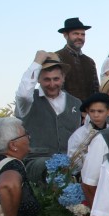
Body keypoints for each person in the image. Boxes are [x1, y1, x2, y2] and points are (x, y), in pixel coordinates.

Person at [15, 51, 81, 183]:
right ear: (38, 79)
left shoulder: (76, 103)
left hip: (68, 169)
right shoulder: (28, 101)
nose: (52, 84)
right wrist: (37, 62)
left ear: (63, 78)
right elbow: (22, 94)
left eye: (56, 79)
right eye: (46, 79)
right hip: (35, 163)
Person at [68, 92, 109, 173]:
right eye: (92, 111)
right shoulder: (79, 134)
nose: (96, 115)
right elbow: (72, 163)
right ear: (87, 111)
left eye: (100, 111)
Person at [55, 17, 99, 101]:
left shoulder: (90, 62)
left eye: (83, 34)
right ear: (65, 35)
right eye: (75, 34)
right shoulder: (57, 57)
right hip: (65, 110)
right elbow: (57, 89)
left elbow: (96, 91)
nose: (80, 37)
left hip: (89, 111)